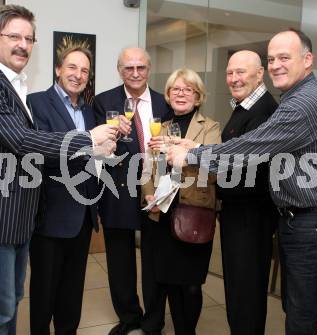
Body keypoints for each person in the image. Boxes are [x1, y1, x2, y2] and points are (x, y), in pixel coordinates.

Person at [167, 29, 317, 335]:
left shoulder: (303, 104)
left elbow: (250, 148)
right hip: (305, 220)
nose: (277, 64)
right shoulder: (296, 98)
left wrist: (192, 156)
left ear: (307, 60)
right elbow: (251, 143)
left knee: (303, 319)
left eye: (285, 57)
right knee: (296, 311)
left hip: (315, 222)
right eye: (272, 58)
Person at [0, 5, 116, 335]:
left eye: (29, 38)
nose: (23, 45)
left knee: (9, 304)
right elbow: (24, 141)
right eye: (14, 36)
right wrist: (88, 139)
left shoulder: (14, 85)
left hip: (15, 217)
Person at [93, 47, 172, 335]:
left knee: (154, 259)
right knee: (120, 260)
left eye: (141, 67)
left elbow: (174, 146)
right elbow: (97, 152)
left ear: (149, 69)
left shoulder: (165, 103)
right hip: (118, 190)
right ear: (119, 70)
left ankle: (153, 320)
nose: (135, 73)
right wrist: (112, 135)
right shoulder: (103, 102)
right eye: (129, 68)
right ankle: (129, 317)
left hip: (157, 189)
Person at [142, 68, 221, 335]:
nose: (181, 93)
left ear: (198, 97)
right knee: (160, 280)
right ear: (167, 95)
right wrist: (149, 193)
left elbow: (213, 171)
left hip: (192, 215)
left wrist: (185, 150)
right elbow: (147, 169)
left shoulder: (210, 127)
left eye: (188, 89)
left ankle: (186, 331)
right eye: (176, 89)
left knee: (188, 285)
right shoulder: (159, 127)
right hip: (161, 214)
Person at [27, 43, 99, 334]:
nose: (78, 75)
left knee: (72, 292)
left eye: (84, 70)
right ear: (58, 69)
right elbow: (39, 152)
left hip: (82, 216)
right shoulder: (36, 103)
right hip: (50, 215)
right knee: (44, 292)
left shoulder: (90, 111)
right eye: (72, 67)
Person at [218, 50, 277, 334]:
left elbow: (245, 170)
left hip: (251, 220)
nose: (234, 78)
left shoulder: (263, 111)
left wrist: (201, 160)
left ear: (259, 73)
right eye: (230, 72)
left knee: (247, 295)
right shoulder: (243, 107)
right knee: (238, 293)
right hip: (236, 217)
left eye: (241, 72)